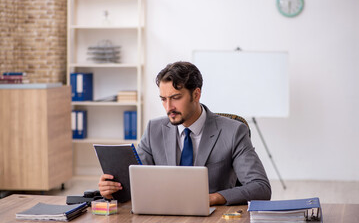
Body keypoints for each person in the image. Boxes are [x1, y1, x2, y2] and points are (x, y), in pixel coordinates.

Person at [98, 61, 271, 205]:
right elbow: (136, 182)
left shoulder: (233, 131)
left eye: (175, 98)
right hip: (163, 214)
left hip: (210, 215)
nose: (168, 107)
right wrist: (112, 189)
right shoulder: (154, 129)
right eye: (164, 99)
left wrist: (213, 198)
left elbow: (260, 187)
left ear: (196, 95)